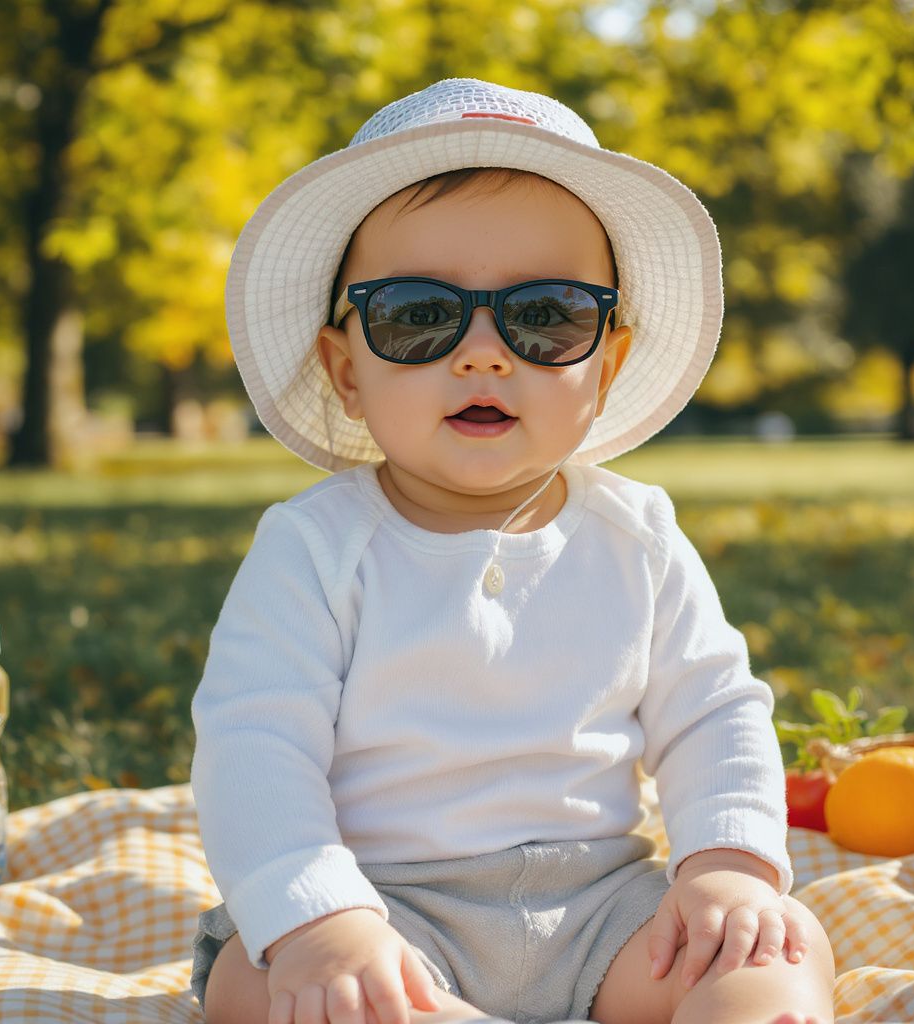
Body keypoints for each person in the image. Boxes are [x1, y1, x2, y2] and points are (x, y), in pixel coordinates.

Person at [188, 78, 836, 1024]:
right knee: (260, 984)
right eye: (417, 315)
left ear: (606, 366)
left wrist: (726, 869)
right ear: (346, 370)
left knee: (778, 941)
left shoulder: (636, 535)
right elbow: (253, 748)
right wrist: (321, 921)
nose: (484, 353)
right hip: (385, 911)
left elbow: (713, 712)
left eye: (547, 316)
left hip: (606, 909)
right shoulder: (316, 548)